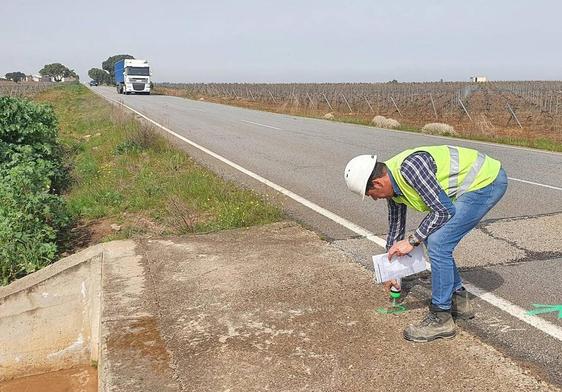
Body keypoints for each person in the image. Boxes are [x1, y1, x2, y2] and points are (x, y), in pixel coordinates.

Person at [344, 145, 508, 342]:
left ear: (378, 183)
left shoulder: (410, 169)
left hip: (485, 181)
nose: (374, 199)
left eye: (371, 195)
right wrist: (392, 270)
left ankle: (441, 317)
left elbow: (444, 211)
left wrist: (412, 241)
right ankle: (459, 299)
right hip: (471, 185)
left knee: (438, 242)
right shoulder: (394, 189)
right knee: (433, 237)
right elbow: (396, 226)